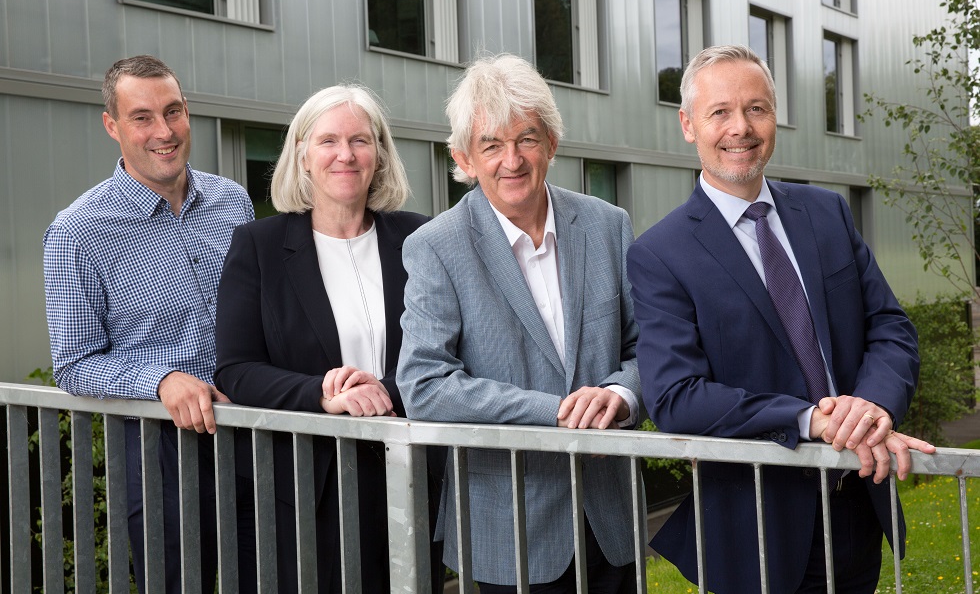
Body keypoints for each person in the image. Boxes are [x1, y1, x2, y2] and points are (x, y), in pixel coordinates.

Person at [627, 44, 937, 593]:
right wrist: (809, 419)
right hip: (754, 527)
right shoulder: (660, 253)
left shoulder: (827, 213)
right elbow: (675, 395)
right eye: (719, 111)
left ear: (774, 117)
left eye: (757, 108)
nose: (740, 128)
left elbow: (890, 327)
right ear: (688, 125)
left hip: (855, 506)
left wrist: (871, 406)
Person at [397, 53, 641, 594]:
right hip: (507, 526)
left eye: (527, 138)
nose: (512, 160)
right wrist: (554, 413)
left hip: (611, 516)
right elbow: (424, 386)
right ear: (464, 157)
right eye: (491, 145)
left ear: (551, 143)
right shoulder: (436, 247)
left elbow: (649, 348)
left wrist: (622, 394)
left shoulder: (608, 226)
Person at [214, 84, 445, 593]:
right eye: (328, 141)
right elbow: (235, 368)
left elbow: (451, 353)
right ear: (303, 154)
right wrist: (324, 393)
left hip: (407, 474)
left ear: (379, 154)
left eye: (361, 140)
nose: (346, 154)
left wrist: (383, 389)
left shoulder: (420, 238)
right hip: (304, 489)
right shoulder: (260, 245)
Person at [42, 55, 255, 593]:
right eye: (142, 117)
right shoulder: (78, 232)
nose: (164, 132)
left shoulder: (232, 201)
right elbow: (74, 364)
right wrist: (158, 381)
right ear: (112, 125)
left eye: (174, 111)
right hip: (158, 448)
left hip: (255, 430)